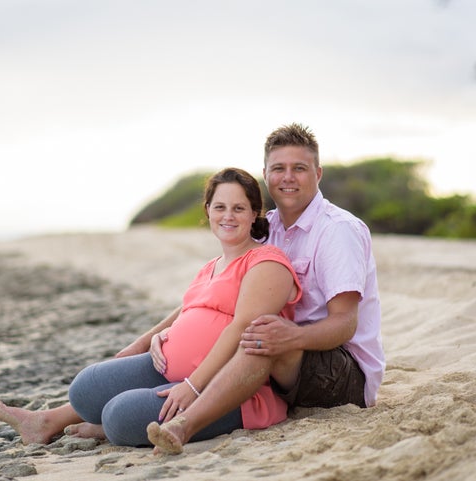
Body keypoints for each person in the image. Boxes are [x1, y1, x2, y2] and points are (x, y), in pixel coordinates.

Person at [0, 167, 302, 447]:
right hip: (169, 371)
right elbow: (187, 310)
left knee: (119, 417)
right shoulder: (211, 266)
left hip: (224, 391)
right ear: (208, 211)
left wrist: (192, 385)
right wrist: (148, 339)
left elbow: (241, 327)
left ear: (254, 213)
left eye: (239, 208)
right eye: (220, 207)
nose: (228, 216)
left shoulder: (266, 262)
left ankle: (105, 427)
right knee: (86, 388)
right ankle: (46, 422)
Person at [147, 123, 385, 453]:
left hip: (341, 372)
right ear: (265, 174)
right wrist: (168, 330)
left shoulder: (337, 231)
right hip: (281, 354)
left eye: (299, 168)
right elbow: (219, 288)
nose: (288, 177)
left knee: (260, 334)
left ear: (318, 173)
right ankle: (102, 417)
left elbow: (345, 323)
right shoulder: (264, 227)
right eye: (278, 169)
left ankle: (184, 426)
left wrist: (292, 336)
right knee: (239, 332)